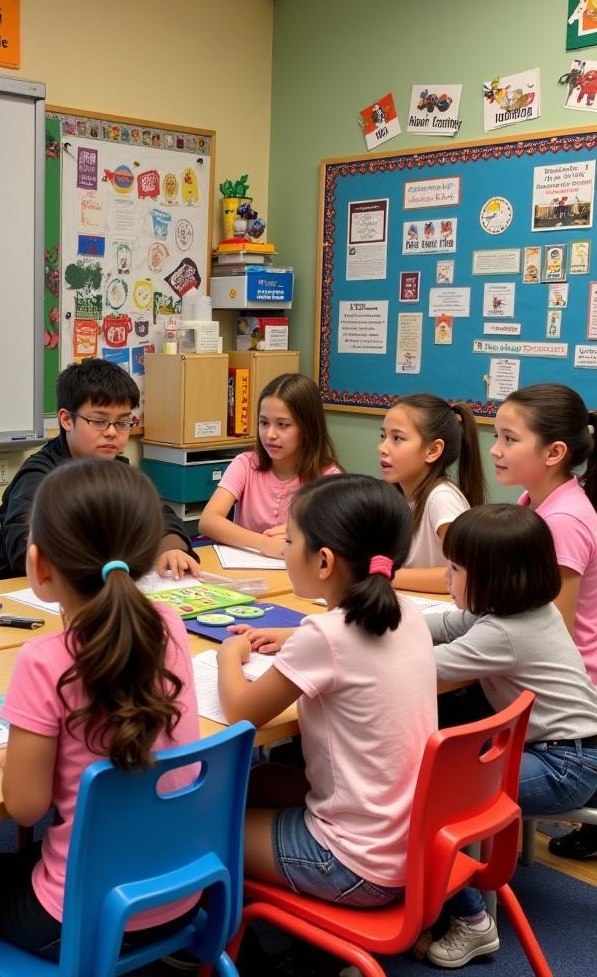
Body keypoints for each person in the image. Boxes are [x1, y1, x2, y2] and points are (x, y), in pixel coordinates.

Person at [0, 461, 201, 958]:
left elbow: (24, 807)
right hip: (182, 895)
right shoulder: (170, 624)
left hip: (81, 913)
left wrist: (26, 763)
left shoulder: (43, 659)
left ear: (38, 566)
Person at [217, 474, 437, 910]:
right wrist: (296, 635)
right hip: (412, 848)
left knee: (203, 828)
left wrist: (231, 652)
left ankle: (203, 945)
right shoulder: (406, 612)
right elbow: (345, 645)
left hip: (352, 864)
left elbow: (242, 711)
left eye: (289, 541)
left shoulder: (326, 637)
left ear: (323, 563)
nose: (282, 551)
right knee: (255, 782)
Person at [422, 504, 597, 968]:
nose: (446, 577)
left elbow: (420, 670)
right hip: (571, 748)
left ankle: (473, 921)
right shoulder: (519, 612)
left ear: (493, 580)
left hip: (565, 765)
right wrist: (381, 620)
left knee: (431, 803)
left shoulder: (501, 633)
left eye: (455, 569)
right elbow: (440, 625)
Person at [492, 382, 597, 861]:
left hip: (567, 697)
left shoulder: (564, 521)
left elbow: (555, 627)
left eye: (510, 439)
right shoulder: (535, 504)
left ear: (554, 452)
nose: (496, 449)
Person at [0, 359, 199, 581]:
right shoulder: (38, 475)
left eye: (123, 422)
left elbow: (160, 517)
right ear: (66, 420)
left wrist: (171, 548)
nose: (112, 432)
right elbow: (25, 547)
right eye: (98, 421)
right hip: (24, 593)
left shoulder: (118, 471)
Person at [199, 373, 341, 559]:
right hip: (243, 572)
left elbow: (336, 539)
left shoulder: (328, 478)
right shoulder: (246, 464)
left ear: (308, 429)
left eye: (283, 425)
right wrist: (263, 543)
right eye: (264, 423)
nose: (270, 434)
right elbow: (208, 521)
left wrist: (297, 535)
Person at [378, 393, 485, 593]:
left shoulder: (442, 498)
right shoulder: (400, 496)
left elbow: (466, 572)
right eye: (383, 436)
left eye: (397, 438)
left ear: (433, 450)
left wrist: (384, 574)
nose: (382, 448)